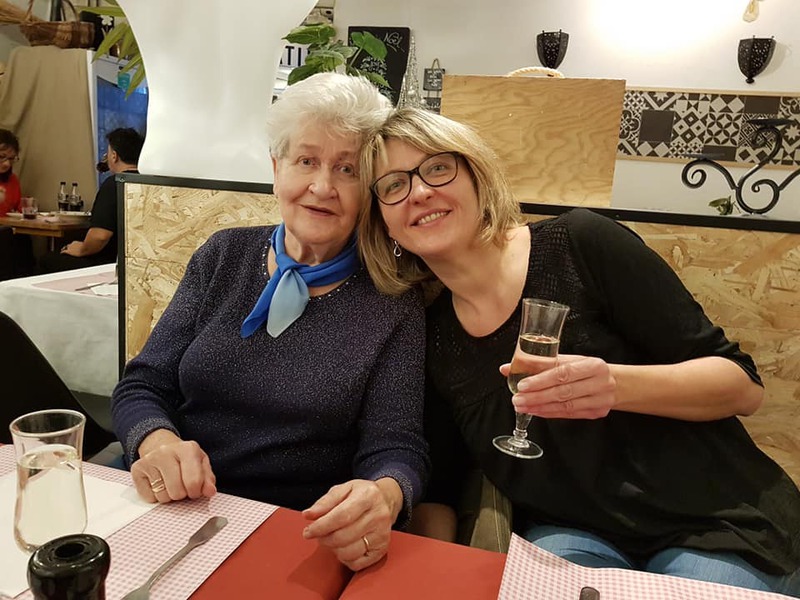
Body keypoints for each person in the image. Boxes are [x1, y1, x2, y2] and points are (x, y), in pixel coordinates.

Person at [357, 107, 800, 595]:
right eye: (394, 185)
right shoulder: (432, 333)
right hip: (573, 532)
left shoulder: (581, 243)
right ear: (386, 225)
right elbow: (444, 477)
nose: (420, 191)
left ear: (477, 177)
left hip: (714, 519)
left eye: (438, 168)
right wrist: (431, 578)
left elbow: (742, 386)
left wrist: (616, 385)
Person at [111, 74, 428, 572]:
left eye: (346, 169)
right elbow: (143, 384)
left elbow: (397, 445)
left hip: (296, 531)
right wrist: (157, 441)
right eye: (306, 161)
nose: (322, 186)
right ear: (277, 169)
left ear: (369, 190)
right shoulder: (223, 255)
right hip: (177, 506)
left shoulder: (393, 299)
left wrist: (384, 495)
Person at [39, 128, 144, 273]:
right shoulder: (148, 184)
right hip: (139, 263)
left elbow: (100, 236)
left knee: (47, 260)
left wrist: (81, 249)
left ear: (114, 156)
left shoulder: (114, 184)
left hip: (108, 263)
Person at [0, 128, 21, 216]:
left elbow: (19, 212)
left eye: (11, 158)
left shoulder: (12, 180)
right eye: (1, 157)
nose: (7, 164)